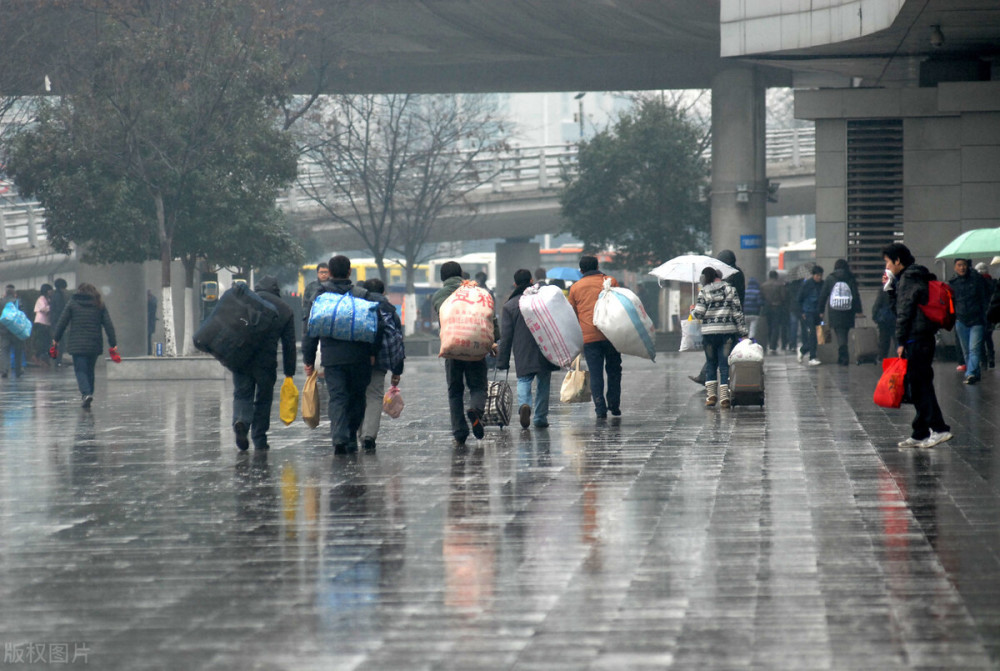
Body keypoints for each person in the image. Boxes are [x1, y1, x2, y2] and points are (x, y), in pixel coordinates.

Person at [302, 255, 382, 454]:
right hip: (359, 356)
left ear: (329, 272)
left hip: (332, 358)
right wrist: (373, 352)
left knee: (337, 397)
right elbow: (377, 326)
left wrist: (309, 359)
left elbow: (310, 328)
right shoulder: (363, 294)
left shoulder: (319, 295)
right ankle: (351, 436)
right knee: (357, 398)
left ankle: (339, 436)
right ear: (349, 272)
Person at [883, 242, 952, 448]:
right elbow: (902, 308)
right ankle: (920, 432)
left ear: (897, 261)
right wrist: (890, 289)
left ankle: (939, 429)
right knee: (918, 384)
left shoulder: (909, 279)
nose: (886, 266)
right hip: (922, 337)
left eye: (887, 262)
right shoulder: (913, 277)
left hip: (916, 338)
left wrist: (901, 341)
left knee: (920, 385)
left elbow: (903, 313)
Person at [433, 261, 499, 446]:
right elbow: (490, 317)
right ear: (461, 274)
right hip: (477, 347)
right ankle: (476, 410)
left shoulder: (439, 295)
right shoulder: (475, 291)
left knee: (455, 390)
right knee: (478, 386)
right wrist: (493, 342)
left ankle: (459, 432)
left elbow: (442, 316)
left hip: (453, 347)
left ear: (442, 277)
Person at [231, 276, 296, 452]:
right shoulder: (285, 309)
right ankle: (259, 438)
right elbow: (289, 344)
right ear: (276, 290)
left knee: (242, 394)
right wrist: (289, 372)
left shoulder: (246, 300)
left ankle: (242, 422)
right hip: (266, 362)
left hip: (241, 357)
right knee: (263, 399)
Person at [497, 269, 559, 429]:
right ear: (531, 281)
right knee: (544, 382)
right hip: (544, 348)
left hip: (523, 351)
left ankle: (524, 405)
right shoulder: (541, 301)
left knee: (524, 380)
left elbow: (506, 337)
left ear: (515, 284)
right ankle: (540, 418)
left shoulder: (510, 306)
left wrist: (502, 360)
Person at [568, 255, 622, 419]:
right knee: (614, 370)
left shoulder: (576, 288)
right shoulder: (611, 281)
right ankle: (614, 403)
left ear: (581, 270)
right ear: (597, 266)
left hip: (589, 337)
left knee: (596, 372)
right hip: (611, 335)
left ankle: (600, 408)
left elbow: (573, 314)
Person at [51, 283, 118, 408]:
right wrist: (113, 343)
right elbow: (108, 324)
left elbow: (62, 321)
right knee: (89, 370)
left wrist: (56, 338)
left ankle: (86, 394)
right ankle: (88, 394)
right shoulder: (99, 304)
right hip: (94, 343)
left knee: (80, 370)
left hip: (77, 344)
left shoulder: (73, 302)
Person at [691, 267, 749, 408]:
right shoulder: (731, 290)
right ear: (720, 276)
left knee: (711, 364)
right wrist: (743, 333)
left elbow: (698, 314)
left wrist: (692, 310)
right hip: (727, 334)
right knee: (724, 365)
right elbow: (737, 313)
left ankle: (711, 396)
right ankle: (724, 398)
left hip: (709, 335)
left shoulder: (704, 291)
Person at [360, 277, 404, 452]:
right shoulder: (390, 310)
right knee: (374, 396)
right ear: (384, 292)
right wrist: (397, 370)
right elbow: (398, 340)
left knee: (358, 396)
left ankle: (358, 432)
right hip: (380, 361)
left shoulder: (357, 306)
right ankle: (368, 435)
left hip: (357, 358)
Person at [689, 250, 744, 384]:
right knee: (722, 358)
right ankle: (725, 388)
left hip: (718, 326)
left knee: (715, 359)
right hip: (730, 323)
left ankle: (711, 387)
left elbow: (699, 313)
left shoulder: (729, 277)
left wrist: (693, 310)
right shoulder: (737, 274)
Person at [948, 258, 989, 384]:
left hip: (976, 320)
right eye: (959, 265)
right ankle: (975, 373)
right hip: (961, 320)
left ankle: (970, 373)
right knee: (966, 350)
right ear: (955, 267)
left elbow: (984, 298)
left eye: (964, 265)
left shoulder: (977, 280)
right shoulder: (953, 283)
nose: (962, 268)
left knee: (974, 349)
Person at [819, 259, 863, 366]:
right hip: (848, 311)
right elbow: (855, 295)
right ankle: (842, 356)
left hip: (835, 311)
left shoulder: (830, 278)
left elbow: (823, 295)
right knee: (844, 333)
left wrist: (820, 311)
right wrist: (858, 310)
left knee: (840, 334)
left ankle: (843, 357)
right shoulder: (850, 278)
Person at [796, 266, 825, 366]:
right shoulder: (807, 284)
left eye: (821, 275)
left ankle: (803, 350)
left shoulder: (823, 284)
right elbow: (799, 299)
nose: (819, 277)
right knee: (813, 334)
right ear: (813, 275)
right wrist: (802, 312)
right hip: (808, 312)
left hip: (818, 313)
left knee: (819, 335)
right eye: (817, 275)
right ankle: (812, 357)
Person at [760, 270, 787, 354]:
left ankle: (770, 343)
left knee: (769, 326)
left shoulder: (763, 285)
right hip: (777, 307)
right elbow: (783, 297)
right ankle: (773, 346)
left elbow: (761, 297)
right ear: (776, 276)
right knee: (776, 327)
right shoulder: (780, 285)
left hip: (768, 308)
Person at [1, 285, 25, 379]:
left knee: (4, 351)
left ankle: (4, 370)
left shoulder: (1, 302)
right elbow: (23, 315)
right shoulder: (18, 302)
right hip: (16, 330)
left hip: (4, 330)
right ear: (14, 294)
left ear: (5, 293)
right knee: (18, 351)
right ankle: (18, 370)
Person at [976, 262, 997, 368]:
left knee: (980, 338)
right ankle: (991, 357)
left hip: (979, 313)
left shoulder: (977, 284)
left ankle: (983, 360)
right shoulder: (993, 282)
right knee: (988, 337)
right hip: (990, 313)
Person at [872, 278, 896, 362]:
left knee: (884, 340)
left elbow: (877, 304)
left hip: (884, 320)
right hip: (896, 319)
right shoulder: (900, 289)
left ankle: (882, 357)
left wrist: (874, 316)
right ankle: (900, 358)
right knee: (897, 339)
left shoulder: (883, 289)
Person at [32, 284, 54, 368]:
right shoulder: (41, 299)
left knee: (47, 341)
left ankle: (42, 358)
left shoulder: (48, 299)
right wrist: (52, 307)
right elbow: (44, 309)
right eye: (49, 290)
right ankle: (37, 357)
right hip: (41, 323)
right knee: (42, 341)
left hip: (46, 323)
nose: (51, 292)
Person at [49, 278, 69, 366]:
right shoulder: (59, 296)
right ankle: (58, 361)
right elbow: (59, 309)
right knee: (60, 342)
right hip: (58, 322)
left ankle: (57, 360)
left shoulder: (55, 295)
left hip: (56, 321)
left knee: (58, 341)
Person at [742, 277, 762, 341]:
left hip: (745, 313)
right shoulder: (757, 292)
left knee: (746, 329)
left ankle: (745, 342)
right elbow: (759, 303)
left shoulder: (745, 292)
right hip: (754, 314)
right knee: (752, 329)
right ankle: (751, 341)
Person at [146, 289, 158, 356]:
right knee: (148, 337)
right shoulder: (152, 299)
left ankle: (149, 352)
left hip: (150, 322)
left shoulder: (152, 300)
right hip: (148, 322)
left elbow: (152, 309)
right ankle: (148, 351)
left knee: (148, 337)